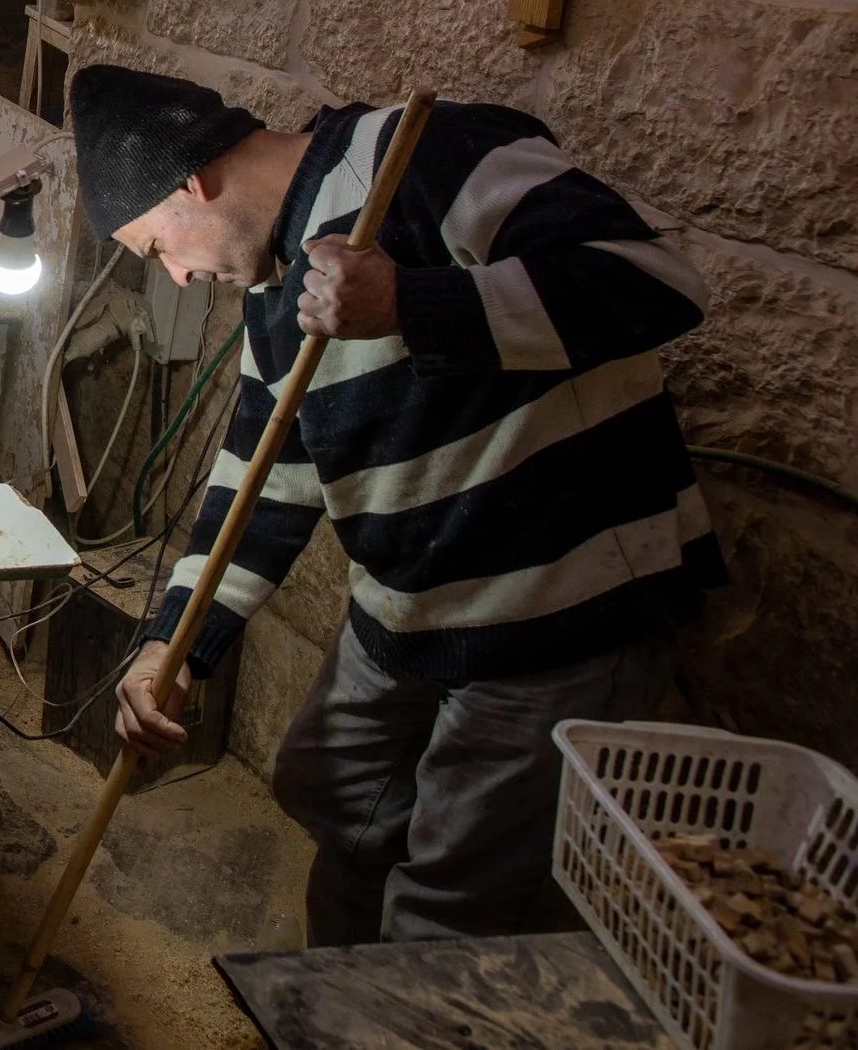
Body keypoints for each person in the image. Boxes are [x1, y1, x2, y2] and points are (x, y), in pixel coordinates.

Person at [71, 64, 720, 946]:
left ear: (191, 179)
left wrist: (413, 301)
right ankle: (336, 1010)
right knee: (330, 793)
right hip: (410, 608)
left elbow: (655, 283)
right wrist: (173, 644)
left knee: (455, 896)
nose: (177, 277)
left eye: (158, 247)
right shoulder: (273, 292)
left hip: (556, 611)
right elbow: (262, 479)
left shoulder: (430, 160)